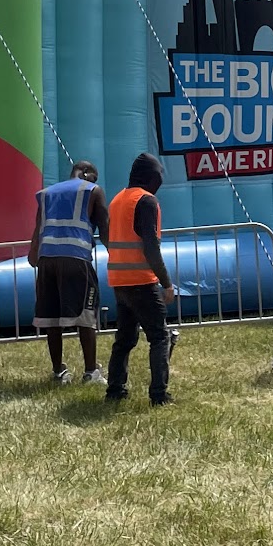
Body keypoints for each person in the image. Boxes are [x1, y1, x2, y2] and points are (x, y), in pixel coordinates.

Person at [103, 154, 177, 406]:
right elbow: (151, 247)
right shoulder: (145, 201)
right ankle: (159, 395)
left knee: (124, 339)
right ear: (152, 177)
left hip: (118, 279)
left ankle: (115, 389)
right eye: (159, 176)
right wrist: (166, 283)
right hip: (141, 280)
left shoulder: (117, 200)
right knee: (158, 337)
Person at [27, 161, 108, 384]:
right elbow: (105, 226)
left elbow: (38, 227)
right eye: (94, 177)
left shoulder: (46, 193)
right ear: (86, 173)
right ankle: (91, 371)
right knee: (86, 314)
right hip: (76, 257)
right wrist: (117, 255)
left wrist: (34, 254)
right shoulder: (93, 191)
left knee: (52, 318)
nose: (94, 182)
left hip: (47, 259)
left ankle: (58, 372)